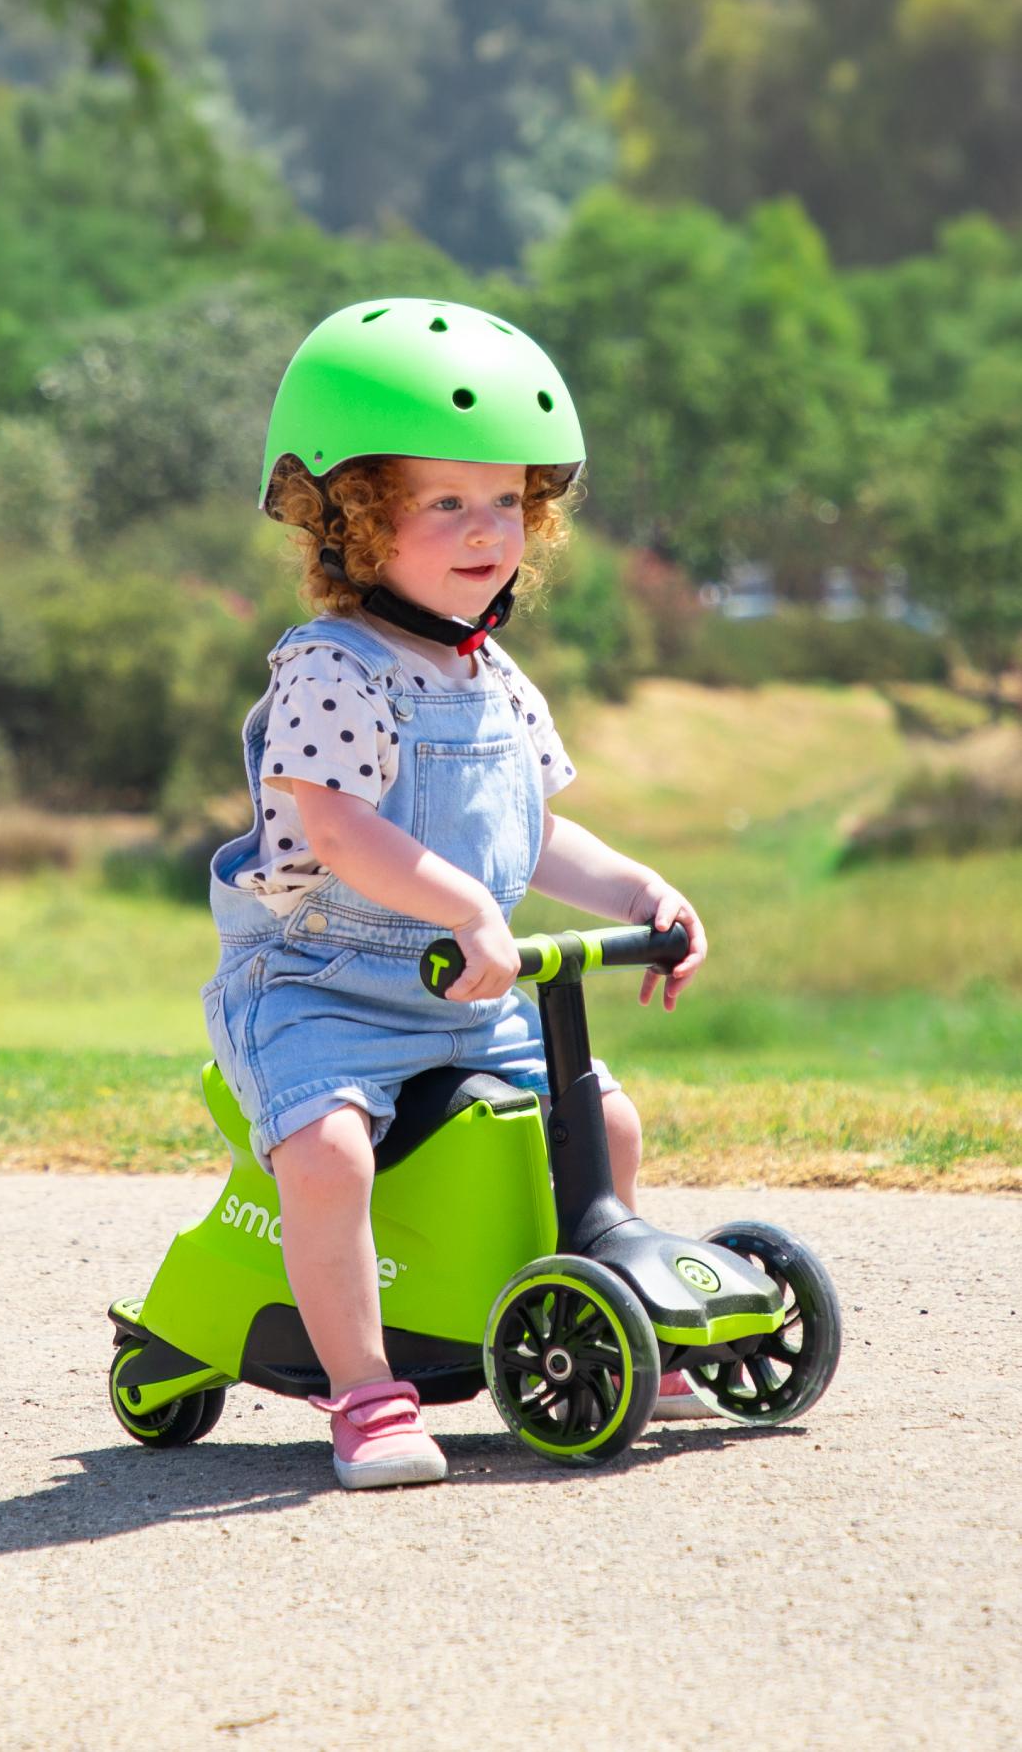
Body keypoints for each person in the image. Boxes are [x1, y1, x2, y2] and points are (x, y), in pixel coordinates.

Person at [202, 298, 712, 1490]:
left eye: (507, 503)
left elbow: (531, 835)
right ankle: (366, 1393)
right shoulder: (332, 668)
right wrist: (464, 907)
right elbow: (336, 827)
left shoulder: (492, 676)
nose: (488, 531)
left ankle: (608, 1312)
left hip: (462, 991)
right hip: (321, 991)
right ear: (355, 521)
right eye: (445, 504)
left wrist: (644, 892)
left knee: (607, 1121)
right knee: (328, 1152)